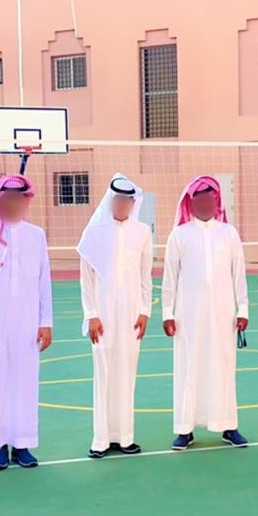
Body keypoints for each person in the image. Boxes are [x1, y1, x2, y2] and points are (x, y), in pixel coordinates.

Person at [161, 175, 250, 450]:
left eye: (210, 200)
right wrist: (167, 313)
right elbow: (170, 277)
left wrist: (243, 308)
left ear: (217, 202)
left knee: (224, 366)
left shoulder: (229, 233)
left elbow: (239, 274)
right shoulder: (179, 235)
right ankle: (184, 429)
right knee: (188, 366)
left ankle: (228, 425)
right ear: (191, 203)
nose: (205, 205)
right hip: (188, 313)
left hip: (224, 312)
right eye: (200, 200)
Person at [0, 175, 53, 471]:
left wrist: (46, 321)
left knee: (25, 381)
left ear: (26, 201)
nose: (13, 204)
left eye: (18, 198)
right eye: (7, 199)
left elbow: (44, 280)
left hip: (28, 320)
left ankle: (22, 444)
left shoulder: (36, 235)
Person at [79, 174, 152, 459]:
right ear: (111, 200)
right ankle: (100, 439)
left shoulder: (142, 232)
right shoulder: (94, 233)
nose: (122, 205)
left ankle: (125, 437)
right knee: (104, 373)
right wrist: (92, 314)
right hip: (103, 314)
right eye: (118, 199)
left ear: (133, 203)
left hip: (132, 314)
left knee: (127, 372)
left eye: (127, 201)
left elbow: (145, 275)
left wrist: (145, 311)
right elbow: (86, 279)